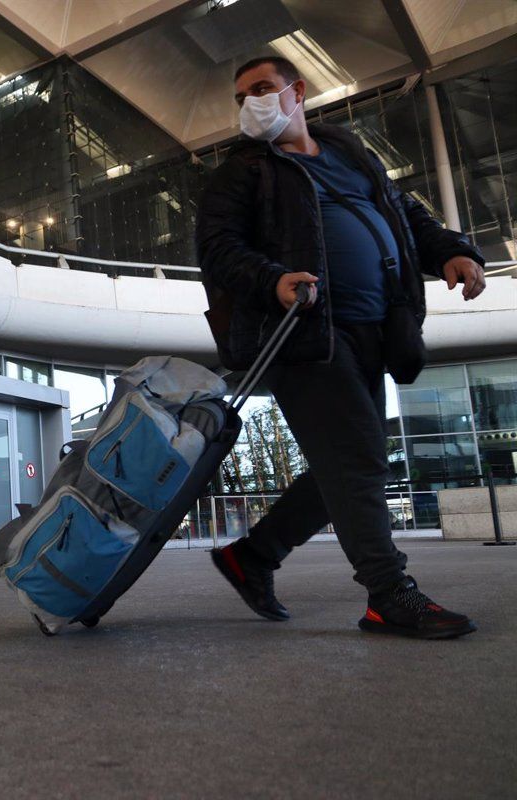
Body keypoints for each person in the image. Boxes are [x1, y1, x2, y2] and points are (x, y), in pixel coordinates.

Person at [197, 56, 487, 639]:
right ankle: (388, 594)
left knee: (354, 463)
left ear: (296, 92)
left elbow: (405, 216)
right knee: (356, 461)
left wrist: (451, 250)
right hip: (302, 334)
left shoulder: (348, 154)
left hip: (372, 330)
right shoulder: (243, 171)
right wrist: (271, 277)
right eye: (241, 97)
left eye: (261, 89)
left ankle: (253, 555)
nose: (249, 103)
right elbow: (218, 247)